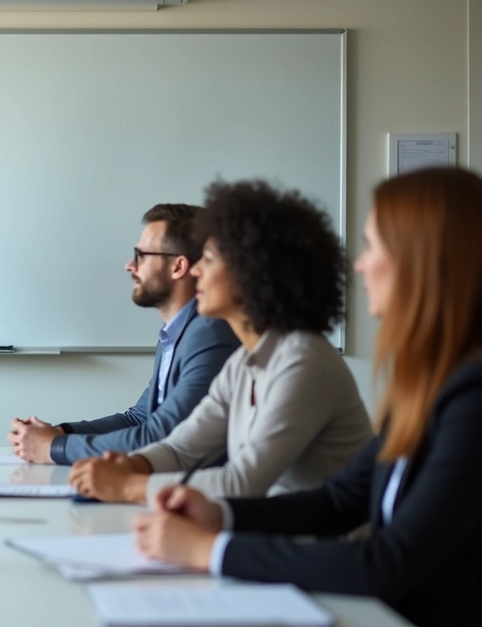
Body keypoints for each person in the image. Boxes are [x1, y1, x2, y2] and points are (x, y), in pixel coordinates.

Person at [132, 167, 482, 626]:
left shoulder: (472, 397)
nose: (360, 265)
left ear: (425, 262)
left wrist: (211, 550)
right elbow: (339, 500)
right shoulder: (426, 386)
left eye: (373, 246)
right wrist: (220, 515)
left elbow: (388, 561)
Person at [69, 179, 373, 503]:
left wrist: (128, 486)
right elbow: (180, 447)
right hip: (262, 528)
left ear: (252, 273)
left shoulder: (303, 360)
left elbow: (242, 483)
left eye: (209, 259)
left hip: (311, 535)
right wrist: (129, 465)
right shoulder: (243, 363)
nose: (195, 270)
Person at [7, 204, 238, 464]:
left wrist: (54, 447)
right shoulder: (175, 334)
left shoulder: (209, 335)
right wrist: (60, 433)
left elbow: (162, 436)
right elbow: (139, 418)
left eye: (141, 255)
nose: (130, 266)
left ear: (178, 267)